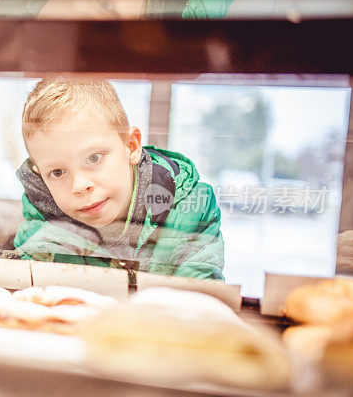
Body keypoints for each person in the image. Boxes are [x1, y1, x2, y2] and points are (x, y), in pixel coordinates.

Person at [13, 78, 224, 280]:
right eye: (57, 172)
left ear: (131, 146)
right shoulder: (38, 231)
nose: (80, 186)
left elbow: (198, 304)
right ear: (40, 174)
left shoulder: (192, 209)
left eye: (94, 158)